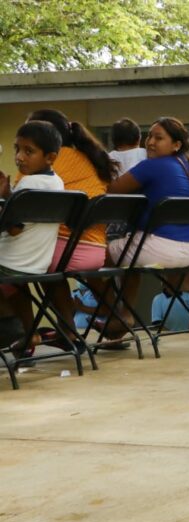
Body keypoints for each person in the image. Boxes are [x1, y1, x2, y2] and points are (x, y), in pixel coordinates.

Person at [20, 110, 117, 350]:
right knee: (45, 264)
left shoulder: (48, 163)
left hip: (65, 251)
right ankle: (95, 319)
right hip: (95, 252)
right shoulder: (89, 158)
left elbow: (18, 209)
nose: (22, 154)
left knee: (18, 265)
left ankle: (30, 332)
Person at [103, 117, 189, 338]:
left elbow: (111, 188)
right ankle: (124, 313)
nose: (150, 142)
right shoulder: (188, 166)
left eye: (159, 138)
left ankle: (114, 313)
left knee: (98, 256)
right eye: (149, 136)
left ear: (176, 144)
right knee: (131, 252)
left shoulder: (152, 166)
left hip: (159, 248)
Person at [0, 121, 67, 354]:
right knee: (13, 286)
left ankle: (16, 330)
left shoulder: (28, 183)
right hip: (36, 263)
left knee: (8, 285)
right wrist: (9, 195)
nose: (20, 157)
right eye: (17, 149)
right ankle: (27, 333)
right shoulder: (57, 182)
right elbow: (25, 218)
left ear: (50, 157)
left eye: (29, 151)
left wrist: (5, 199)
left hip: (9, 263)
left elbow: (14, 228)